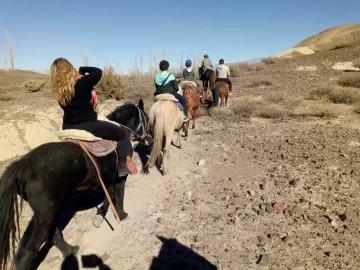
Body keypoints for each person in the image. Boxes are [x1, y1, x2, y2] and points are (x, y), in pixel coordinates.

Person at [50, 57, 138, 177]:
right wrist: (81, 69)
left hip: (67, 126)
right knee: (122, 134)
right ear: (70, 69)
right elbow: (97, 71)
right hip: (88, 125)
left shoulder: (60, 91)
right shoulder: (83, 83)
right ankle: (123, 166)